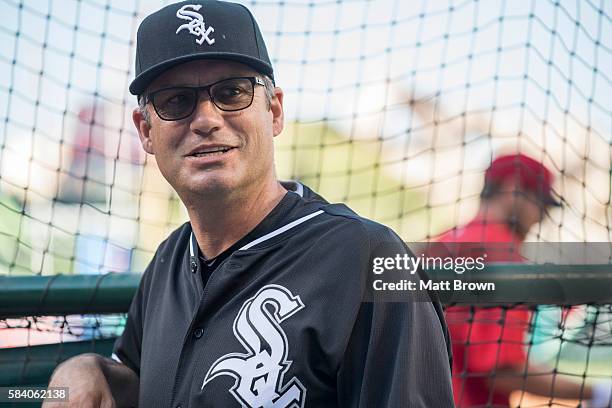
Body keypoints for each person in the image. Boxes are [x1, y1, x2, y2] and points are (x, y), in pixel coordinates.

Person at [44, 1, 454, 407]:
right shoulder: (169, 259)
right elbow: (146, 384)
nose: (205, 119)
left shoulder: (369, 259)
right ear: (146, 131)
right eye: (175, 101)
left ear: (274, 111)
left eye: (232, 92)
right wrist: (86, 367)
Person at [437, 153, 612, 407]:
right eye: (540, 203)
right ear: (514, 187)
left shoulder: (443, 242)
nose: (541, 217)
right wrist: (598, 392)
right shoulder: (498, 250)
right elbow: (502, 371)